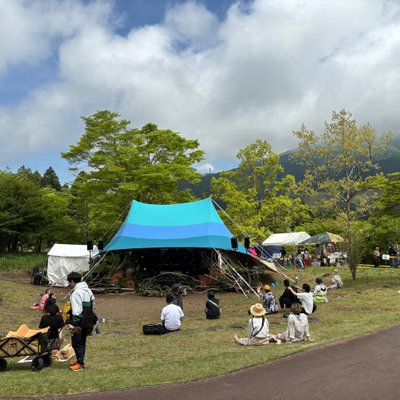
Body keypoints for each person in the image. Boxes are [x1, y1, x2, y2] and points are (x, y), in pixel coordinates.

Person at [67, 271, 97, 371]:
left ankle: (80, 363)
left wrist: (73, 323)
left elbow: (77, 311)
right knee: (82, 342)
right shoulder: (88, 290)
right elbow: (93, 304)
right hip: (88, 321)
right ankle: (80, 361)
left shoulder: (76, 293)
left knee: (77, 343)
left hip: (79, 323)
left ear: (72, 281)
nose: (69, 285)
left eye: (69, 282)